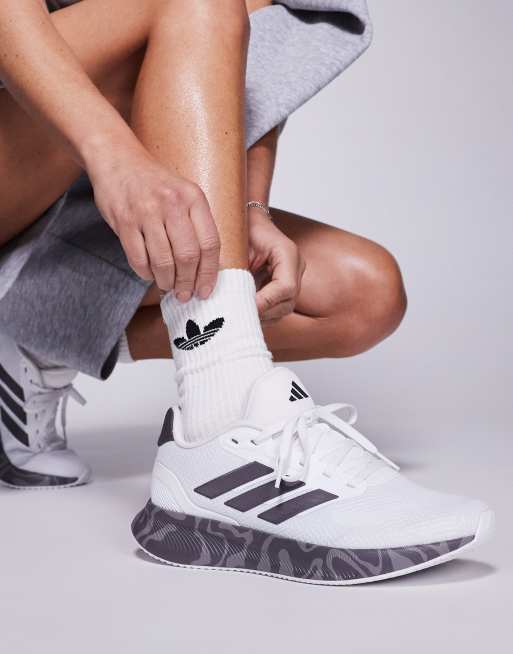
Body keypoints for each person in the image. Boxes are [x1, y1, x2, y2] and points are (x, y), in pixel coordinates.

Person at [0, 0, 492, 583]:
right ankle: (220, 421)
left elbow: (258, 33)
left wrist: (248, 206)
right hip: (43, 154)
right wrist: (115, 161)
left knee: (363, 294)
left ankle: (34, 340)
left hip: (87, 183)